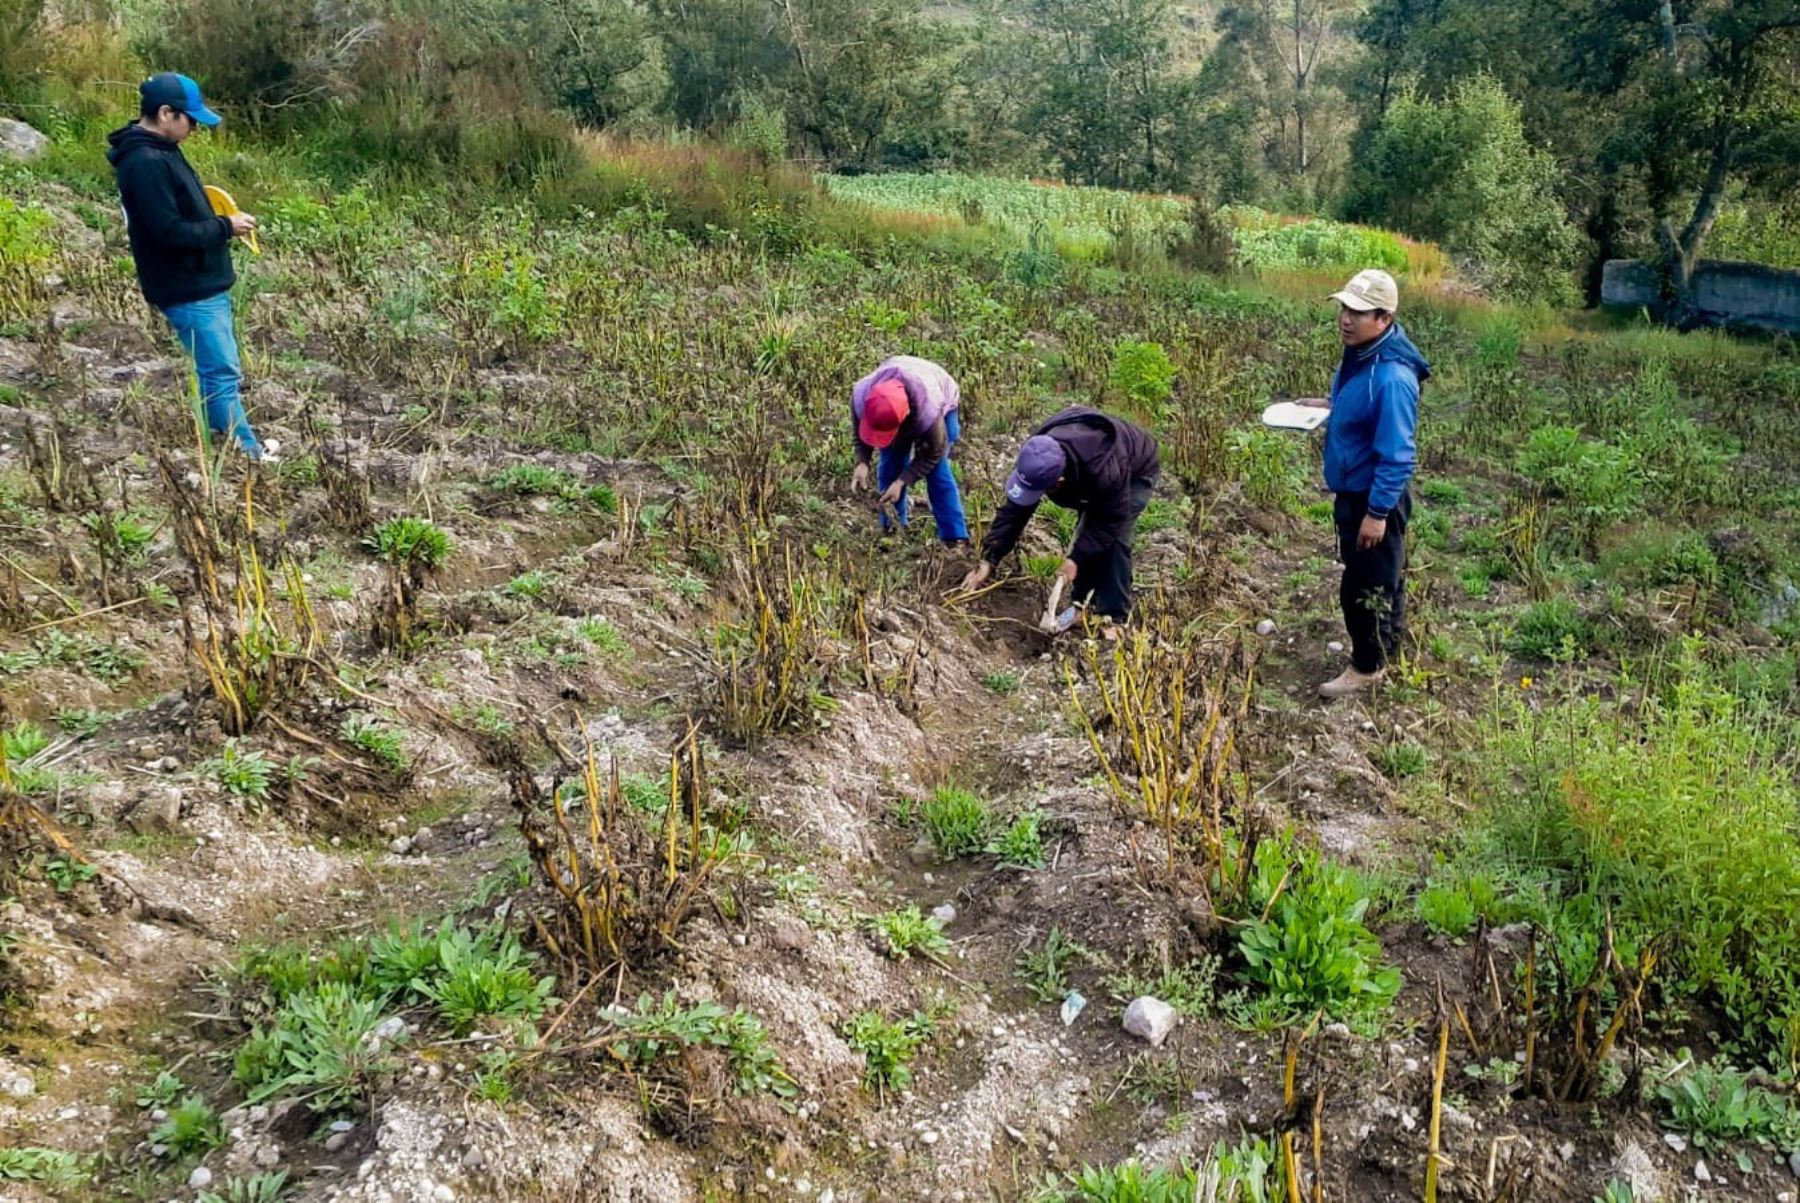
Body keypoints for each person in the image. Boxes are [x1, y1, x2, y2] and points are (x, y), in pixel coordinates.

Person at [108, 72, 276, 464]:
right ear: (166, 113)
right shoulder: (145, 162)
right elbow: (166, 232)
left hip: (197, 279)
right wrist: (225, 227)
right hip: (187, 285)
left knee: (214, 368)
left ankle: (226, 440)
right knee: (221, 370)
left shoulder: (159, 148)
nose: (195, 129)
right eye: (192, 120)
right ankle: (247, 452)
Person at [1301, 268, 1431, 698]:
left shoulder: (1392, 377)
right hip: (1358, 494)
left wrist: (1376, 515)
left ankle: (1367, 667)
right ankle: (1388, 647)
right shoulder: (1363, 355)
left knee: (1363, 587)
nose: (1345, 318)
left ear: (1384, 318)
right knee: (1381, 579)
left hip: (1372, 500)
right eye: (1343, 307)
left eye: (1358, 312)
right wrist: (1327, 405)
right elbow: (1359, 406)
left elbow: (1397, 455)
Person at [958, 406, 1159, 624]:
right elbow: (1015, 511)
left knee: (1114, 539)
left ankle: (1114, 615)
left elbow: (1109, 521)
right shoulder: (1037, 453)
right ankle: (1082, 604)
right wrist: (990, 558)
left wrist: (1075, 558)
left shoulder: (1104, 471)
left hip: (1136, 470)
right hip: (1089, 473)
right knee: (1087, 535)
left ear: (1059, 482)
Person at [849, 355, 968, 546]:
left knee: (938, 472)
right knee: (890, 466)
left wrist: (903, 481)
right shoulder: (862, 397)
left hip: (942, 394)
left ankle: (954, 538)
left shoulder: (929, 412)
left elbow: (932, 454)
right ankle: (892, 529)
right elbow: (860, 434)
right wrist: (862, 462)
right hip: (902, 393)